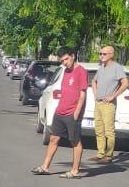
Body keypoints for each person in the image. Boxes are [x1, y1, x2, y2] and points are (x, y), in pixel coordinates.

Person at [32, 47, 88, 178]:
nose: (65, 63)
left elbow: (82, 95)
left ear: (73, 56)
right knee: (53, 138)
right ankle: (45, 167)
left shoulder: (81, 71)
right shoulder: (65, 71)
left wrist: (76, 113)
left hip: (72, 113)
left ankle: (74, 171)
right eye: (62, 60)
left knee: (75, 141)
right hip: (60, 112)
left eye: (66, 59)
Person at [89, 45, 129, 163]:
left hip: (108, 104)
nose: (101, 56)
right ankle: (100, 153)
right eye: (100, 53)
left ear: (111, 55)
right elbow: (93, 81)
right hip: (99, 103)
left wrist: (113, 96)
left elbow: (125, 83)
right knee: (99, 129)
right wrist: (95, 94)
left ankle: (108, 155)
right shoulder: (102, 67)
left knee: (109, 130)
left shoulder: (117, 67)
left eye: (104, 54)